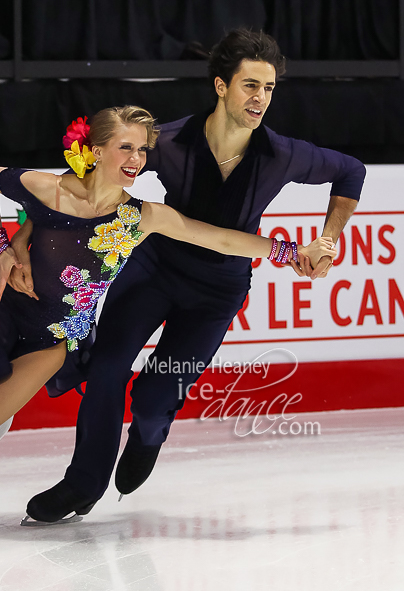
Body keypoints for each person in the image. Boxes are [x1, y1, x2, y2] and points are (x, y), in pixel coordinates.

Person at [0, 104, 335, 532]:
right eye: (124, 146)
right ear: (95, 149)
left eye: (143, 149)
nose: (136, 158)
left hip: (52, 340)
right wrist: (2, 245)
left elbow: (222, 239)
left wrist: (292, 252)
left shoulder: (141, 216)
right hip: (1, 315)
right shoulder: (48, 189)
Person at [23, 29, 365, 524]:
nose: (260, 99)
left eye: (269, 88)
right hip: (153, 270)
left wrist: (329, 238)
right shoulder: (170, 141)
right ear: (221, 87)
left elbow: (351, 171)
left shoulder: (282, 154)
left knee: (155, 394)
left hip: (217, 292)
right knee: (108, 366)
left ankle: (148, 432)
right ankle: (84, 481)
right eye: (250, 85)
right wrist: (24, 238)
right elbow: (88, 181)